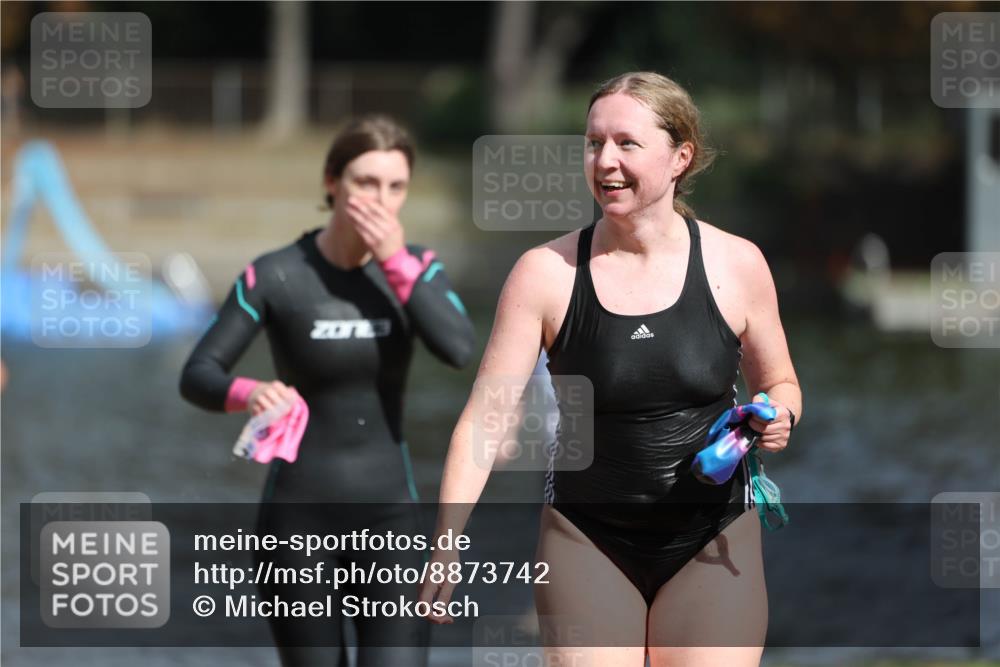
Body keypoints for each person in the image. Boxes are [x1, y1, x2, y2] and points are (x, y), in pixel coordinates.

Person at [419, 72, 802, 667]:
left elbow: (780, 383)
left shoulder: (737, 263)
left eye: (627, 143)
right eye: (594, 143)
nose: (606, 162)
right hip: (586, 537)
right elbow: (485, 422)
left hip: (713, 535)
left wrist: (780, 416)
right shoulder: (544, 273)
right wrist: (446, 542)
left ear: (680, 157)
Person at [180, 114, 474, 667]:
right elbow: (197, 373)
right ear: (331, 182)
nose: (380, 200)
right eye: (366, 182)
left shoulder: (420, 268)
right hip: (297, 525)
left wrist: (392, 259)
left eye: (396, 186)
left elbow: (458, 349)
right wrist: (250, 391)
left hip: (390, 521)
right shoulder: (276, 275)